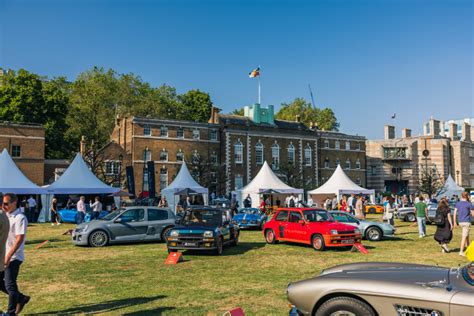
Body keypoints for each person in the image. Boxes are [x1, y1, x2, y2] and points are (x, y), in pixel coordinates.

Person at [1, 193, 30, 315]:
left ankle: (11, 312)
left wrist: (8, 256)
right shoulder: (5, 216)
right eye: (2, 203)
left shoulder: (20, 218)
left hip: (13, 257)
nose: (4, 206)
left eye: (6, 203)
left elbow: (19, 239)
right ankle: (21, 298)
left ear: (14, 203)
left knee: (10, 285)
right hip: (3, 255)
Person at [454, 191, 473, 256]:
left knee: (466, 235)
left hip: (460, 222)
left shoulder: (458, 203)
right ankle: (461, 251)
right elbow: (473, 214)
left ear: (461, 196)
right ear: (467, 196)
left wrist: (454, 222)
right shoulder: (469, 204)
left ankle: (468, 248)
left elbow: (454, 213)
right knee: (464, 237)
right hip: (466, 222)